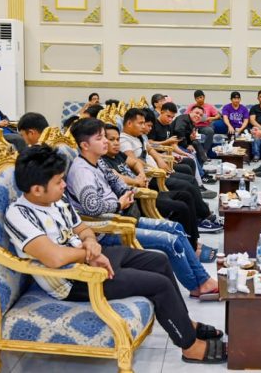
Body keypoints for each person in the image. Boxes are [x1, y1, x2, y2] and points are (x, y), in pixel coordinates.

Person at [5, 145, 227, 363]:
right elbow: (55, 258)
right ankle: (190, 346)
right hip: (74, 279)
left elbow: (83, 228)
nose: (64, 185)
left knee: (159, 260)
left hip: (89, 259)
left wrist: (90, 242)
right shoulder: (19, 215)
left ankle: (185, 323)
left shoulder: (56, 200)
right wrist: (88, 254)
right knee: (159, 285)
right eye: (58, 182)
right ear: (37, 189)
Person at [65, 118, 221, 299]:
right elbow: (92, 207)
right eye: (100, 138)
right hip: (107, 230)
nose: (106, 141)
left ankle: (203, 279)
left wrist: (127, 192)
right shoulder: (82, 172)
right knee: (169, 240)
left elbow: (117, 182)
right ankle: (196, 286)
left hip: (123, 217)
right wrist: (119, 204)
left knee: (176, 228)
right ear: (85, 145)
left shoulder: (98, 161)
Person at [103, 124, 205, 253]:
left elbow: (136, 162)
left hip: (144, 188)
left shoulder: (118, 155)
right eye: (111, 140)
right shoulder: (102, 161)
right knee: (181, 207)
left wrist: (141, 174)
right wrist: (136, 181)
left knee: (186, 196)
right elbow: (116, 176)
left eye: (117, 139)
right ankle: (190, 248)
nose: (116, 143)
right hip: (138, 199)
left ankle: (193, 242)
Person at [185, 90, 219, 158]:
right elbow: (185, 116)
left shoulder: (209, 106)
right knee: (192, 134)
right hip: (194, 126)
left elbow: (218, 116)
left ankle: (205, 152)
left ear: (204, 97)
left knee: (210, 131)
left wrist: (210, 118)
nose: (199, 99)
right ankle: (199, 154)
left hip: (204, 126)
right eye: (197, 98)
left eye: (201, 97)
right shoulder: (192, 107)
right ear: (195, 99)